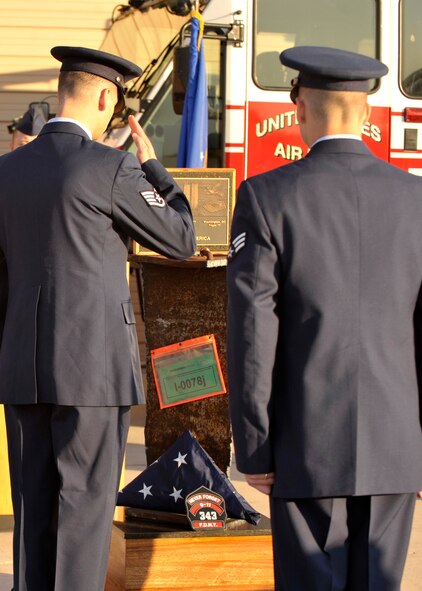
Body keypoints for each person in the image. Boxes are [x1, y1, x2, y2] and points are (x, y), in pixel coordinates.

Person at [0, 46, 196, 591]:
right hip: (93, 370)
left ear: (63, 91)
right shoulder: (111, 167)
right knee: (83, 518)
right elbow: (181, 238)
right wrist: (153, 165)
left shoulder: (7, 170)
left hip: (23, 370)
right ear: (107, 97)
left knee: (33, 512)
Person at [227, 46, 422, 591]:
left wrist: (255, 444)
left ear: (298, 109)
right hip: (394, 442)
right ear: (367, 113)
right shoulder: (416, 198)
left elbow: (252, 334)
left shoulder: (266, 196)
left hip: (304, 440)